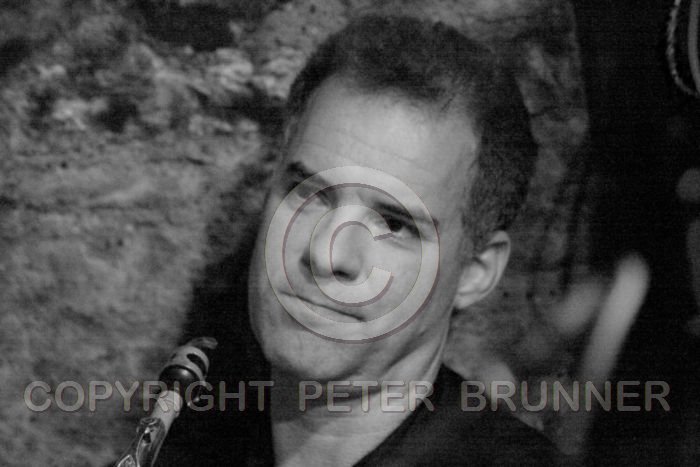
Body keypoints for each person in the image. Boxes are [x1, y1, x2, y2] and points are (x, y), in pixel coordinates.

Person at [156, 14, 647, 466]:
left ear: (476, 273)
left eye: (393, 224)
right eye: (309, 194)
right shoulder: (182, 434)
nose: (327, 254)